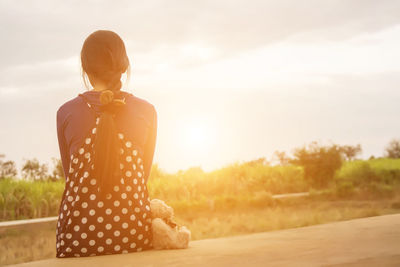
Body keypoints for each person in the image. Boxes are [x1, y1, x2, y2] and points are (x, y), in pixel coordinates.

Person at [55, 30, 157, 257]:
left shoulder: (66, 112)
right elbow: (143, 177)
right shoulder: (147, 112)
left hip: (77, 239)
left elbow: (69, 175)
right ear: (124, 65)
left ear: (85, 70)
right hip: (134, 234)